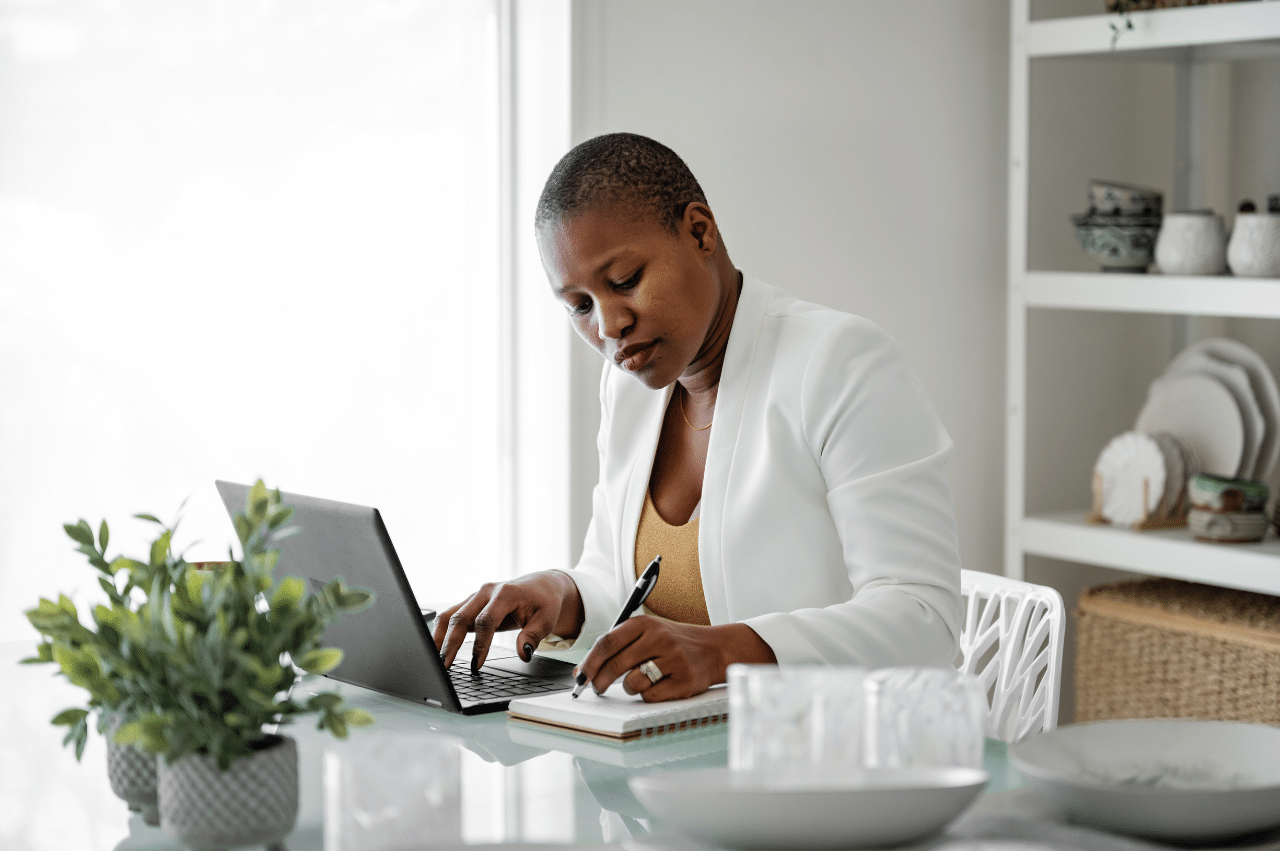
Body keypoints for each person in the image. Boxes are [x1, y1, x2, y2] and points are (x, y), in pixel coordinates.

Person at [434, 132, 962, 702]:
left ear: (700, 231)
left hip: (829, 754)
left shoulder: (839, 361)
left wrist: (721, 652)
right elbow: (629, 591)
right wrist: (564, 597)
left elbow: (924, 620)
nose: (609, 326)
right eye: (580, 306)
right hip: (680, 750)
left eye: (625, 281)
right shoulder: (630, 386)